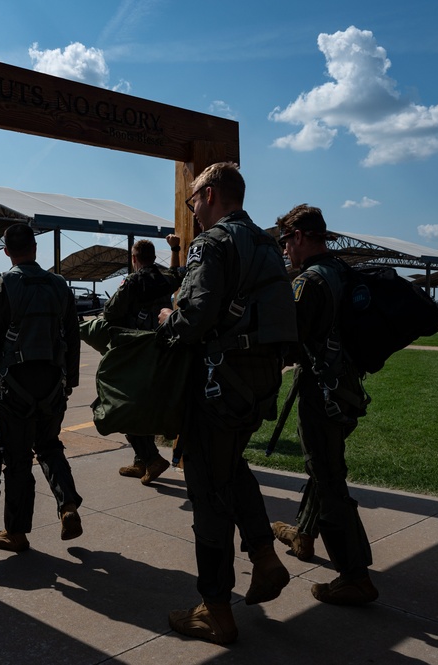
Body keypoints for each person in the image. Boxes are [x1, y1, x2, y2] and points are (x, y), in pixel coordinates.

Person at [157, 162, 297, 645]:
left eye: (194, 199)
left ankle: (215, 609)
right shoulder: (266, 246)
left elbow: (193, 319)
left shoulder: (213, 243)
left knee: (207, 492)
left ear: (211, 194)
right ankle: (263, 556)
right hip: (256, 385)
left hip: (218, 386)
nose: (192, 209)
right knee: (231, 468)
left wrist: (166, 317)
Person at [273, 204, 378, 605]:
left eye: (285, 241)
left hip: (323, 392)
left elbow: (290, 342)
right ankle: (303, 532)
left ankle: (354, 575)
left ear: (299, 236)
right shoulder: (341, 272)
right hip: (347, 387)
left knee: (327, 476)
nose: (285, 249)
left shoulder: (310, 282)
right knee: (326, 466)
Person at [0, 223, 84, 553]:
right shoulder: (60, 286)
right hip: (53, 385)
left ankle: (16, 532)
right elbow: (72, 338)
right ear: (35, 248)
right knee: (49, 446)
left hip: (13, 388)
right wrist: (70, 381)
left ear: (6, 252)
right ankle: (68, 505)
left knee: (17, 459)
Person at [102, 237, 183, 485]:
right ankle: (141, 461)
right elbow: (177, 273)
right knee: (144, 404)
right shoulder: (165, 278)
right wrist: (175, 249)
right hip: (162, 350)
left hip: (136, 351)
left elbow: (110, 312)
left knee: (122, 405)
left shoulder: (133, 281)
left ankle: (151, 458)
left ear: (134, 259)